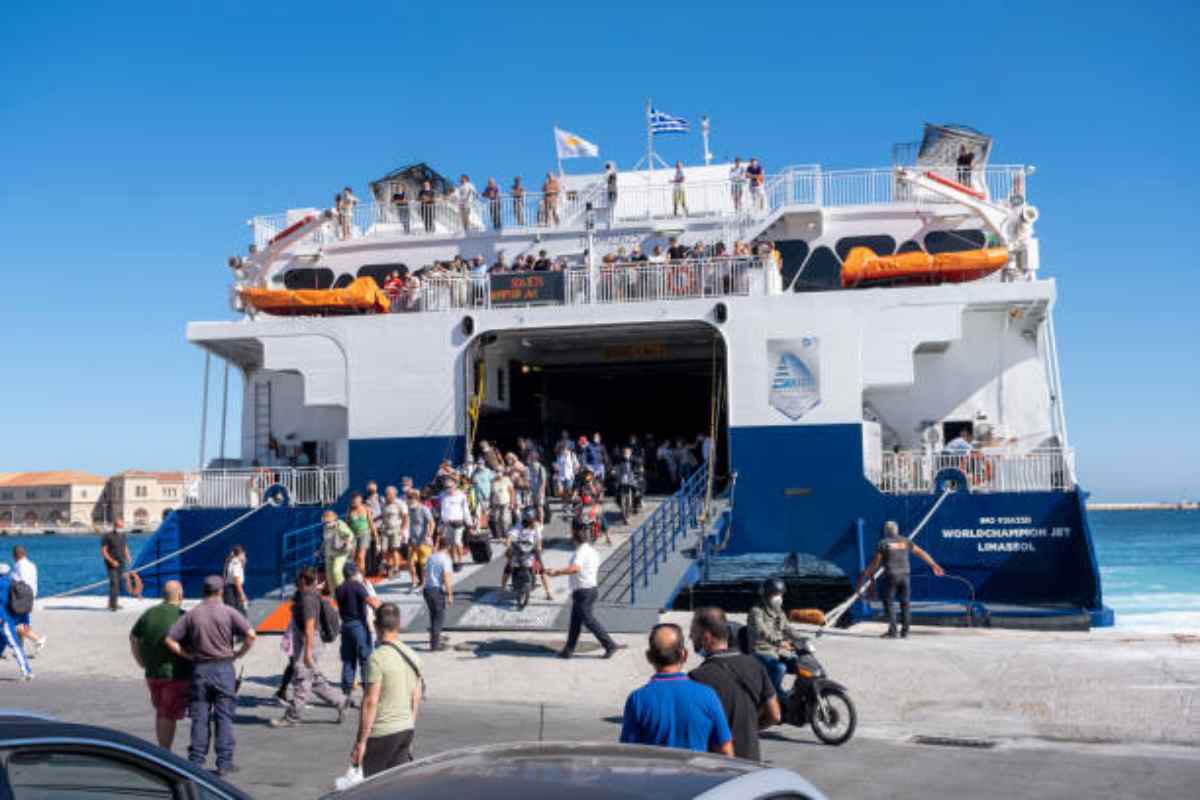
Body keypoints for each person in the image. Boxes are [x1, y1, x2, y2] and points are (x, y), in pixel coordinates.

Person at [164, 575, 256, 777]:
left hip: (200, 669)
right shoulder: (229, 612)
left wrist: (187, 655)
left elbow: (170, 639)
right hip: (224, 668)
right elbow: (251, 635)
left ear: (203, 590)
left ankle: (196, 761)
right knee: (224, 717)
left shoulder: (192, 614)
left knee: (200, 716)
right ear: (221, 591)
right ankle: (224, 762)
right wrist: (239, 654)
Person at [619, 623, 733, 755]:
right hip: (696, 775)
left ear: (649, 657)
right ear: (684, 655)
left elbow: (629, 753)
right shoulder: (707, 695)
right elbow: (725, 749)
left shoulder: (637, 699)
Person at [688, 607, 781, 760]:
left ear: (706, 637)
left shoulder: (698, 677)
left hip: (716, 764)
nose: (691, 637)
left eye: (693, 632)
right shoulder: (755, 665)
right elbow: (775, 715)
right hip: (751, 761)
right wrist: (751, 729)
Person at [271, 567, 350, 727]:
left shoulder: (308, 599)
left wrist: (307, 652)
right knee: (313, 680)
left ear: (302, 581)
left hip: (310, 641)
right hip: (309, 640)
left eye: (297, 580)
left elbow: (310, 626)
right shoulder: (310, 595)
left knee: (301, 677)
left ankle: (293, 716)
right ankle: (341, 701)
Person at [351, 602, 423, 777]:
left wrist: (361, 742)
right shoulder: (413, 656)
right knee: (396, 788)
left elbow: (370, 702)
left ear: (375, 626)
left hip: (382, 734)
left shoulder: (377, 659)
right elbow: (415, 698)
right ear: (398, 625)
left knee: (374, 788)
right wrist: (409, 727)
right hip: (405, 730)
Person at [857, 520, 945, 639]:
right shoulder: (905, 541)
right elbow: (920, 552)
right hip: (905, 576)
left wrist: (867, 573)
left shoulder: (883, 543)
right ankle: (905, 632)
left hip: (891, 576)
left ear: (885, 531)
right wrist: (934, 565)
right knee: (905, 603)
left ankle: (893, 632)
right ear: (897, 530)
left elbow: (876, 563)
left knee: (888, 602)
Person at [130, 580, 192, 749]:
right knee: (167, 715)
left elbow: (133, 637)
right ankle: (165, 753)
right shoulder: (182, 615)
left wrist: (140, 660)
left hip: (152, 673)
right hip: (173, 674)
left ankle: (163, 749)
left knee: (162, 712)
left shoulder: (149, 613)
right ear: (180, 595)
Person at [547, 526, 620, 659]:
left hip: (583, 591)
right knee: (575, 622)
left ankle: (610, 645)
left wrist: (556, 572)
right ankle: (568, 651)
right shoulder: (592, 551)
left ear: (575, 539)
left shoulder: (581, 552)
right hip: (590, 588)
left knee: (588, 620)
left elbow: (575, 568)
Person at [748, 578, 804, 699]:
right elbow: (762, 631)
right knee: (780, 667)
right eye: (776, 594)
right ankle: (771, 695)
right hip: (761, 651)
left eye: (780, 594)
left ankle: (798, 693)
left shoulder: (779, 612)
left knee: (801, 663)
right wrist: (779, 642)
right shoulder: (756, 612)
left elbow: (788, 628)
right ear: (767, 595)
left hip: (777, 651)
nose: (779, 597)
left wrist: (801, 639)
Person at [337, 562, 382, 697]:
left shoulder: (339, 588)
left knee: (348, 660)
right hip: (358, 626)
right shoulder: (357, 586)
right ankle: (368, 693)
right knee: (365, 659)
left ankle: (346, 694)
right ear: (354, 573)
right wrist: (380, 612)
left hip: (345, 626)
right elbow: (372, 602)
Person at [500, 507, 554, 601]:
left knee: (541, 569)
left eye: (531, 519)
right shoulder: (519, 525)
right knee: (508, 566)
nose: (529, 522)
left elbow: (539, 538)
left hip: (531, 549)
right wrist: (508, 543)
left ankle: (548, 592)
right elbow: (511, 534)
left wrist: (539, 547)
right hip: (519, 549)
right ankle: (503, 588)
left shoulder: (536, 526)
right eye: (528, 519)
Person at [0, 564, 33, 681]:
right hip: (10, 620)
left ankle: (27, 672)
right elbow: (23, 602)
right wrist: (26, 621)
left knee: (16, 646)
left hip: (3, 622)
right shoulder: (14, 583)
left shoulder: (2, 585)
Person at [11, 545, 46, 655]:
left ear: (15, 555)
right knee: (23, 623)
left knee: (15, 625)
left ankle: (38, 639)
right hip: (30, 597)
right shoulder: (32, 565)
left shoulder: (20, 566)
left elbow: (21, 583)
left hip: (21, 599)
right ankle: (20, 649)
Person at [101, 518, 142, 611]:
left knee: (118, 583)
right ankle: (113, 605)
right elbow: (103, 551)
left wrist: (128, 556)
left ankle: (112, 603)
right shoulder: (107, 536)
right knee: (114, 583)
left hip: (121, 562)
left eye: (122, 526)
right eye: (120, 526)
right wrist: (112, 561)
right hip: (111, 564)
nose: (121, 528)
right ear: (115, 526)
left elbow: (125, 547)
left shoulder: (123, 535)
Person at [422, 534, 454, 651]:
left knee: (433, 615)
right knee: (439, 617)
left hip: (427, 589)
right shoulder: (445, 559)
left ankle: (435, 638)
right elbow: (446, 577)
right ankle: (435, 645)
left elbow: (424, 570)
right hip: (436, 590)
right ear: (449, 546)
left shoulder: (432, 556)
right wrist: (450, 594)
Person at [437, 475, 471, 571]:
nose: (448, 489)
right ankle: (454, 561)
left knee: (457, 542)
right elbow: (440, 510)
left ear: (455, 485)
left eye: (450, 487)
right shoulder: (442, 495)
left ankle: (460, 560)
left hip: (458, 522)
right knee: (450, 544)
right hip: (446, 523)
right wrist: (440, 524)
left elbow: (466, 510)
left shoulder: (461, 496)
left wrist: (469, 523)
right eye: (446, 487)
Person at [406, 489, 435, 589]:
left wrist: (429, 535)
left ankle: (424, 582)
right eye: (408, 499)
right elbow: (409, 523)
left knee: (423, 563)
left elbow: (432, 523)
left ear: (416, 499)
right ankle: (414, 581)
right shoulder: (410, 509)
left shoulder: (424, 509)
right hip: (412, 540)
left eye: (410, 499)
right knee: (410, 562)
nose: (409, 501)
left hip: (423, 541)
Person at [379, 486, 409, 578]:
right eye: (387, 494)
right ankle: (387, 566)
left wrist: (403, 529)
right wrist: (373, 519)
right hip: (385, 529)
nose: (388, 496)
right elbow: (383, 515)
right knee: (384, 549)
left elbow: (405, 517)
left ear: (395, 494)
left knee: (394, 549)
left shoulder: (400, 504)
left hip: (396, 529)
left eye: (390, 494)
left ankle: (396, 569)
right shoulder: (383, 504)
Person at [346, 492, 377, 577]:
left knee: (361, 556)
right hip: (353, 535)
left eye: (356, 500)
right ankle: (355, 574)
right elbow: (347, 524)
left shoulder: (366, 509)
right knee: (353, 556)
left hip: (364, 534)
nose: (354, 502)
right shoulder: (349, 510)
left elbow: (371, 523)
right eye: (353, 500)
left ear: (360, 500)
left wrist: (375, 536)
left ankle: (362, 575)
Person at [222, 545, 248, 618]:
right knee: (240, 614)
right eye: (244, 554)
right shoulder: (236, 563)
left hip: (228, 588)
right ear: (241, 553)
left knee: (231, 612)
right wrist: (242, 594)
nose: (244, 556)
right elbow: (236, 580)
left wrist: (243, 561)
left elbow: (224, 575)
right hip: (233, 590)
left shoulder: (229, 561)